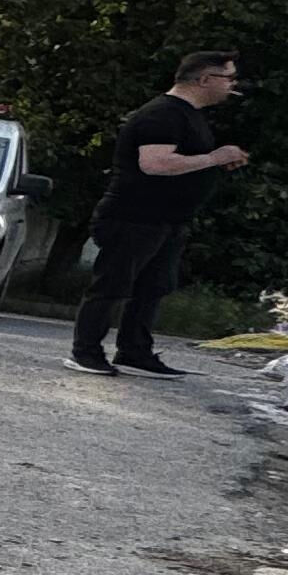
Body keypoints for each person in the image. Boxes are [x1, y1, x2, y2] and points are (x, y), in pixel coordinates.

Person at [69, 51, 248, 376]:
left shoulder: (190, 115)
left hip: (167, 220)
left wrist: (214, 163)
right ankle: (86, 352)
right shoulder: (162, 114)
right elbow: (154, 163)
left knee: (153, 287)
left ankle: (135, 351)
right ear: (204, 79)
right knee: (113, 284)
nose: (233, 86)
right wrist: (213, 158)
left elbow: (187, 160)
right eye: (229, 78)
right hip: (134, 216)